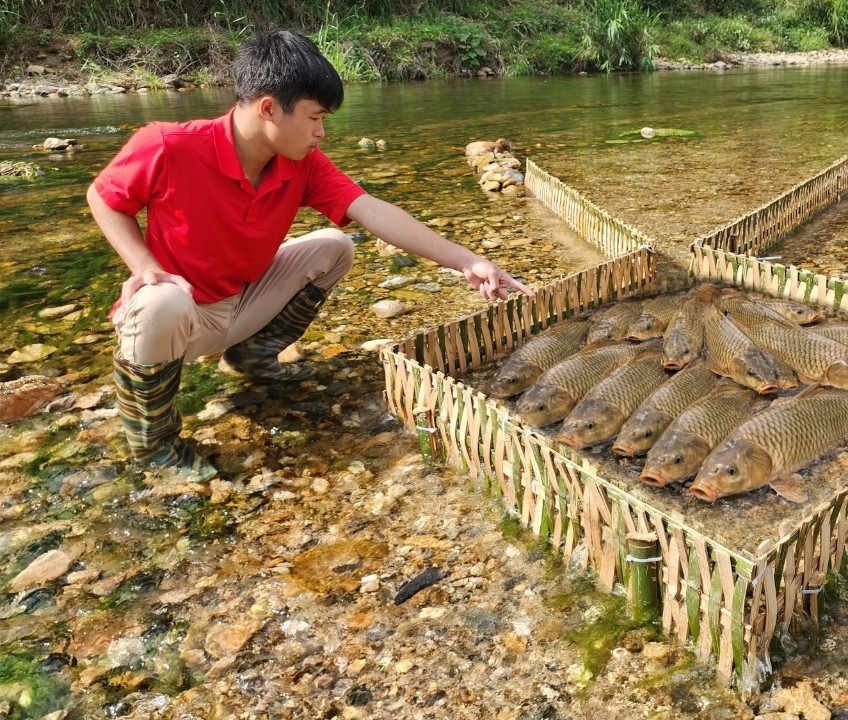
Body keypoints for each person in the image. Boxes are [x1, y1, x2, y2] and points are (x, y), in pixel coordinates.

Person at [87, 29, 532, 477]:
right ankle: (155, 448)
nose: (320, 133)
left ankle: (252, 357)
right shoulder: (169, 144)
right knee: (159, 298)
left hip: (242, 304)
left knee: (335, 247)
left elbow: (374, 211)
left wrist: (469, 261)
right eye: (315, 118)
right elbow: (104, 198)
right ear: (268, 108)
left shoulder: (302, 163)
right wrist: (144, 267)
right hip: (180, 322)